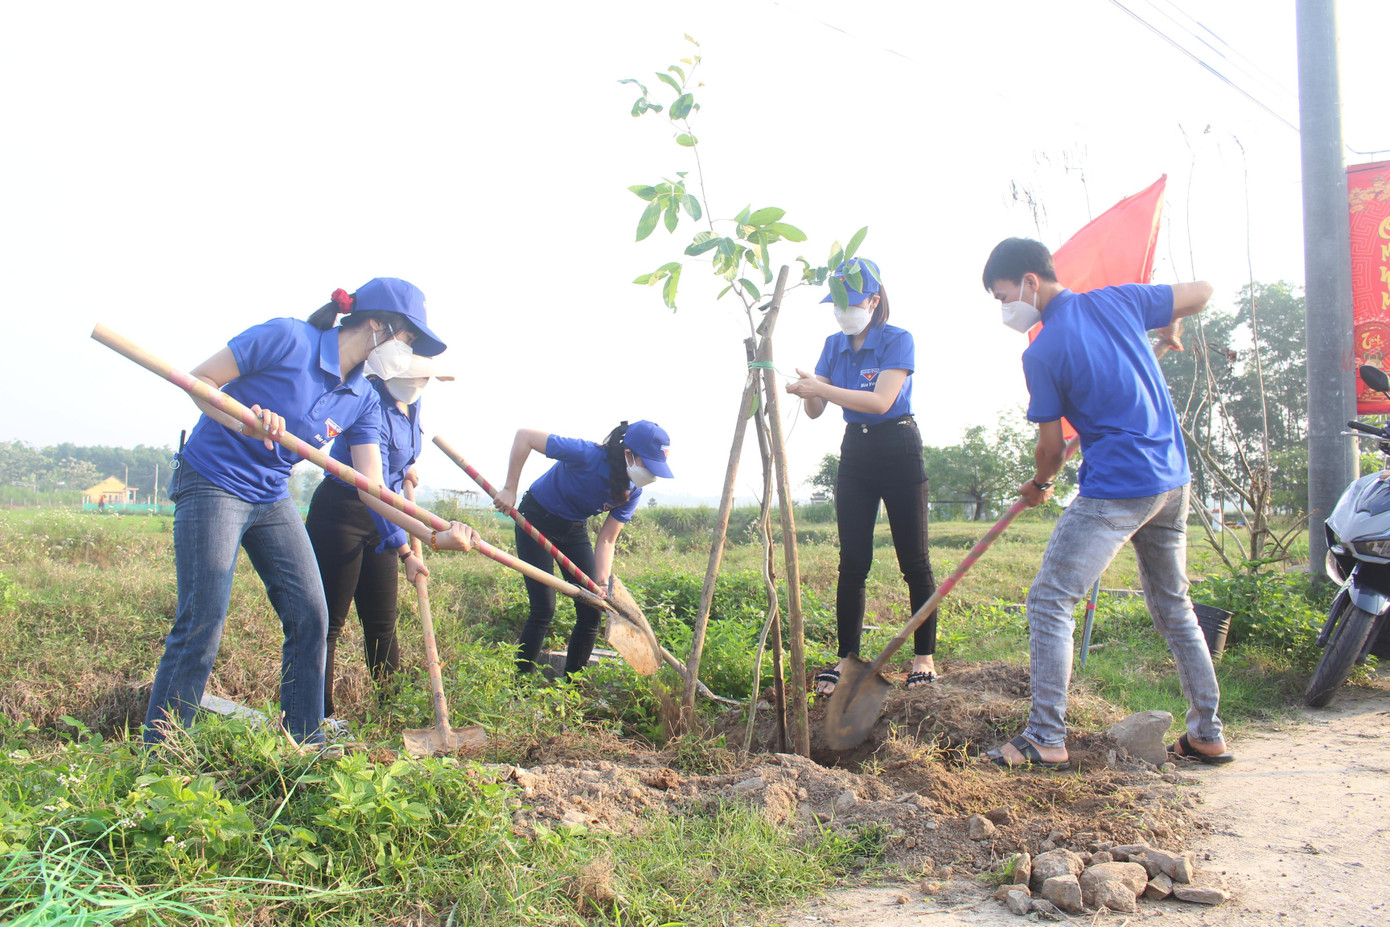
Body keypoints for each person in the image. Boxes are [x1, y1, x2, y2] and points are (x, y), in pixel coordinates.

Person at [144, 278, 478, 747]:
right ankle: (161, 751)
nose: (407, 355)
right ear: (379, 326)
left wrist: (432, 534)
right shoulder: (288, 338)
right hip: (213, 480)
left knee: (311, 615)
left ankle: (305, 740)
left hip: (270, 493)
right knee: (204, 617)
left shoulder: (362, 396)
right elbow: (199, 381)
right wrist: (244, 417)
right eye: (406, 341)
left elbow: (373, 489)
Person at [980, 237, 1231, 770]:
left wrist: (1040, 485)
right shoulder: (1119, 300)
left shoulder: (1042, 351)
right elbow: (1203, 291)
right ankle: (1206, 732)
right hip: (1172, 479)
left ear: (1030, 281)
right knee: (1174, 607)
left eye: (1004, 296)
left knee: (1050, 599)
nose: (1006, 310)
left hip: (1119, 485)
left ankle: (1045, 736)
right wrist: (1168, 321)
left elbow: (1050, 449)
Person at [785, 258, 939, 696]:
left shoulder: (898, 340)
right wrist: (806, 389)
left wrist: (823, 389)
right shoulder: (834, 345)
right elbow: (817, 411)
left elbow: (881, 401)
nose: (841, 311)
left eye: (849, 302)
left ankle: (924, 658)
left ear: (873, 301)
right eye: (835, 303)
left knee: (914, 561)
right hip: (856, 451)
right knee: (853, 561)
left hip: (899, 447)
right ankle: (846, 657)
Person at [306, 350, 452, 723]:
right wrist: (406, 552)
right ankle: (319, 720)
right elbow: (370, 491)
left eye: (425, 381)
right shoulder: (368, 408)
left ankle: (392, 712)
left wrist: (406, 469)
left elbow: (398, 458)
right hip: (342, 513)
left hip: (383, 516)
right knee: (329, 624)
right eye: (415, 379)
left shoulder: (410, 404)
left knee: (382, 622)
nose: (420, 386)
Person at [492, 421, 673, 677]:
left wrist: (601, 581)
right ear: (628, 454)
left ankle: (572, 686)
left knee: (592, 609)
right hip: (535, 518)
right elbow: (525, 437)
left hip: (573, 529)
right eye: (649, 465)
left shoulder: (632, 492)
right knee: (544, 608)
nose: (651, 475)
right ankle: (519, 686)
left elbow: (608, 539)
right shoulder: (586, 454)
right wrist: (510, 488)